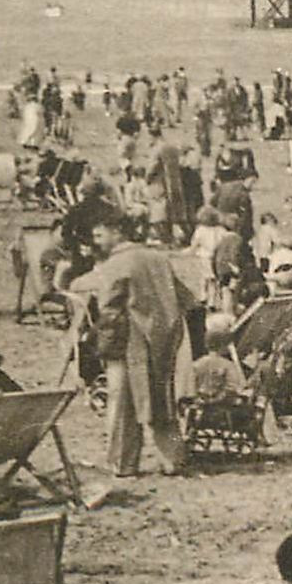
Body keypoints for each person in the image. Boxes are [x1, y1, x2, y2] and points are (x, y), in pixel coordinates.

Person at [81, 200, 195, 478]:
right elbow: (187, 298)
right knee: (161, 401)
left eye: (100, 235)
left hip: (130, 341)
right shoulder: (158, 257)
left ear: (117, 232)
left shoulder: (116, 264)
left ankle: (123, 463)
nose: (97, 241)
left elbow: (109, 310)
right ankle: (174, 459)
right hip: (165, 340)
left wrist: (101, 347)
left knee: (123, 405)